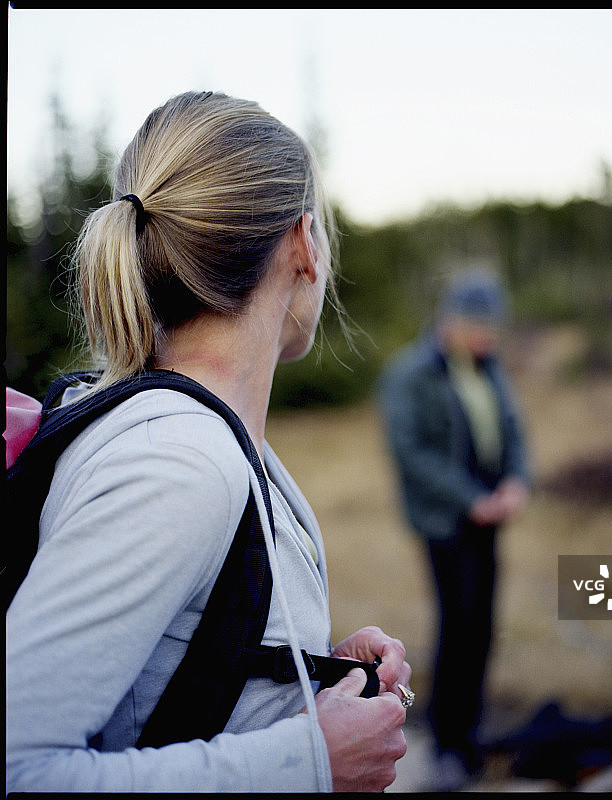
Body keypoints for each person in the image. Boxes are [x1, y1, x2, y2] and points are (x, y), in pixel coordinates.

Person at [6, 91, 411, 794]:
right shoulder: (177, 463)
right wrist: (309, 763)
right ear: (300, 243)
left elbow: (160, 680)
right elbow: (19, 770)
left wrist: (293, 670)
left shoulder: (200, 437)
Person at [378, 270, 531, 789]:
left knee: (483, 628)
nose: (489, 336)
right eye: (480, 326)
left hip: (491, 518)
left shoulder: (488, 368)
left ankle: (469, 735)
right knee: (457, 626)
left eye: (494, 328)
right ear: (452, 322)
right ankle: (445, 743)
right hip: (446, 522)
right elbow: (412, 454)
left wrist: (516, 480)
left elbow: (511, 430)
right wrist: (472, 499)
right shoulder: (411, 373)